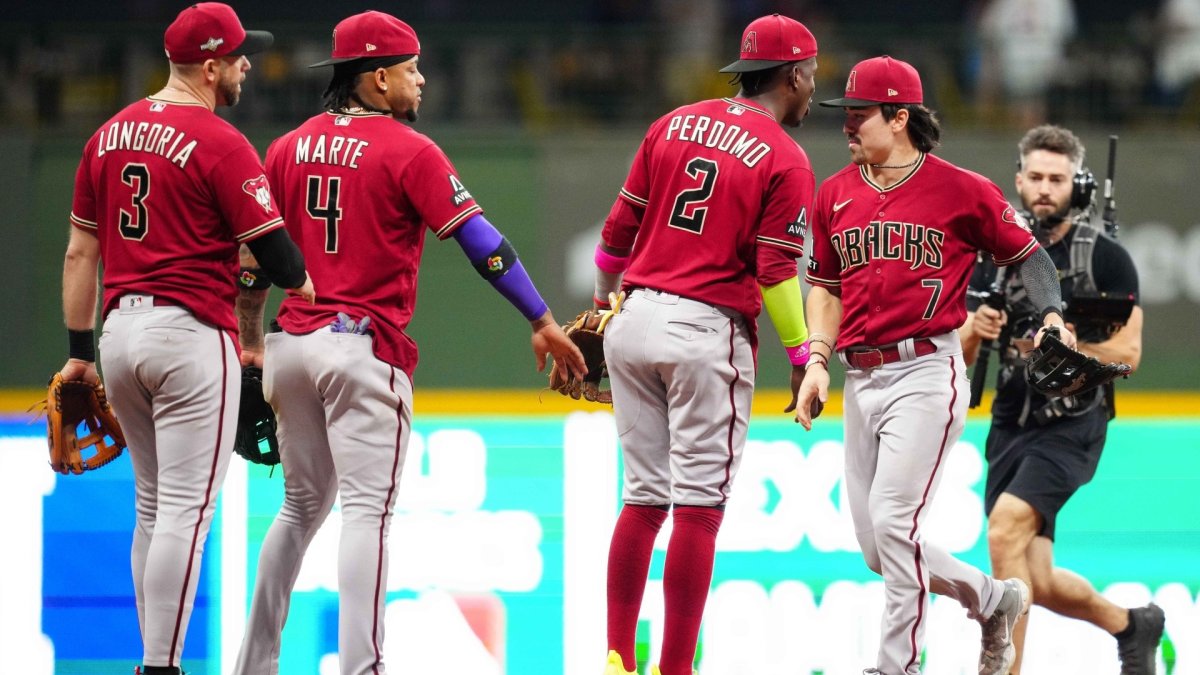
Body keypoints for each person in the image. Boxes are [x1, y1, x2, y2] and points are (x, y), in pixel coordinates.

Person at [230, 11, 586, 675]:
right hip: (360, 347)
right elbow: (483, 242)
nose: (421, 80)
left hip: (289, 344)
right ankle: (363, 667)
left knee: (300, 507)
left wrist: (250, 345)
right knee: (367, 512)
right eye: (412, 68)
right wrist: (539, 317)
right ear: (379, 77)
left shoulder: (285, 149)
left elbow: (251, 265)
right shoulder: (407, 150)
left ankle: (254, 664)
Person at [794, 55, 1077, 675]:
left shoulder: (961, 188)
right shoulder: (834, 192)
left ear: (899, 117)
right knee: (880, 549)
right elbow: (824, 286)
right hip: (858, 376)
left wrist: (1052, 314)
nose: (847, 126)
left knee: (895, 525)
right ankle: (994, 599)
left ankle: (898, 664)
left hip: (926, 370)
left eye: (859, 114)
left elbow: (1030, 258)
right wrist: (816, 358)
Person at [57, 4, 314, 674]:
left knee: (151, 508)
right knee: (185, 514)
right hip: (190, 335)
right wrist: (305, 281)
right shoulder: (221, 142)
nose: (246, 64)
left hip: (118, 333)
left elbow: (81, 253)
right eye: (236, 55)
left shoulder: (107, 135)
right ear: (209, 65)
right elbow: (281, 259)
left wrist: (79, 353)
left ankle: (154, 656)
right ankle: (162, 667)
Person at [594, 14, 819, 675]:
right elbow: (777, 273)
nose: (812, 90)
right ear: (794, 76)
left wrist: (608, 304)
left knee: (641, 498)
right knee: (697, 508)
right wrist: (804, 356)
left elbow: (613, 237)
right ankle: (673, 668)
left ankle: (615, 654)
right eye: (810, 77)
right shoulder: (785, 156)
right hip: (705, 329)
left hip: (633, 318)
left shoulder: (674, 122)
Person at [960, 124, 1162, 675]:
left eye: (1059, 178)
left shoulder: (1106, 258)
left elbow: (1131, 352)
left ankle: (1005, 670)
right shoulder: (991, 254)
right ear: (1019, 180)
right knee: (1038, 579)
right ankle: (1131, 625)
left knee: (1003, 530)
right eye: (1037, 177)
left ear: (1078, 184)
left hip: (1074, 422)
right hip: (1010, 421)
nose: (1047, 188)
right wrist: (977, 327)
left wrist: (1072, 349)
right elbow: (957, 349)